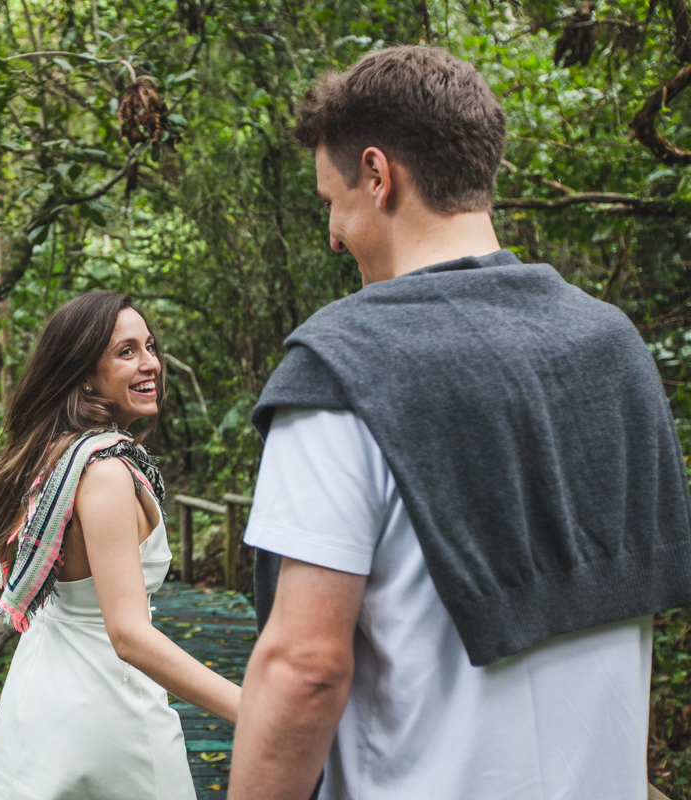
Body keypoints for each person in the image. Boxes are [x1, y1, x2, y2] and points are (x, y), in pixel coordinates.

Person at [229, 45, 691, 800]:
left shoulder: (344, 367)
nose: (333, 234)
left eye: (331, 202)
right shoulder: (616, 349)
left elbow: (304, 667)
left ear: (377, 176)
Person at [0, 291, 241, 800]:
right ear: (85, 376)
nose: (150, 363)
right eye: (126, 351)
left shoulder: (56, 456)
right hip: (106, 706)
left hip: (41, 697)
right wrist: (252, 711)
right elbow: (129, 635)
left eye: (150, 347)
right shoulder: (105, 472)